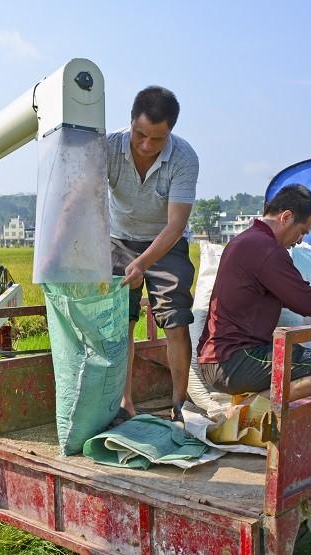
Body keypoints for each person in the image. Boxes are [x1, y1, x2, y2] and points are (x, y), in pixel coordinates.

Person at [196, 184, 311, 401]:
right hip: (236, 359)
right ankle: (247, 409)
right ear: (286, 217)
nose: (300, 240)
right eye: (302, 232)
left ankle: (251, 402)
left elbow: (293, 292)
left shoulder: (246, 240)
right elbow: (308, 304)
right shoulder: (266, 249)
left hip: (220, 358)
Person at [108, 86, 199, 423]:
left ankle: (179, 405)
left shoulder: (184, 158)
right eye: (139, 134)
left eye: (156, 140)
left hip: (166, 241)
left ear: (170, 133)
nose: (145, 145)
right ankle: (123, 402)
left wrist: (143, 263)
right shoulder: (108, 147)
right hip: (118, 239)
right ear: (130, 122)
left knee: (175, 321)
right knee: (121, 323)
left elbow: (175, 225)